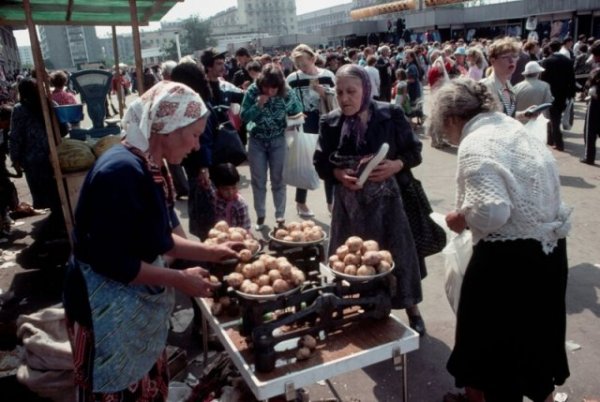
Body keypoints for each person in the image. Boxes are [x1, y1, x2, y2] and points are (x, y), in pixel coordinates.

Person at [63, 81, 240, 400]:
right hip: (106, 314)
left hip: (133, 307)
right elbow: (111, 261)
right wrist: (178, 278)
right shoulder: (121, 172)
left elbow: (163, 240)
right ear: (169, 128)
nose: (198, 146)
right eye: (196, 134)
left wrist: (213, 252)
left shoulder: (151, 165)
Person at [429, 78, 570, 402]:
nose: (448, 136)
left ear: (451, 119)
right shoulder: (510, 127)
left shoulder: (476, 142)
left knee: (485, 349)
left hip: (508, 262)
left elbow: (492, 212)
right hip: (549, 253)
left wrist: (459, 218)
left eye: (444, 127)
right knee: (535, 341)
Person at [314, 64, 426, 335]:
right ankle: (357, 307)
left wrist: (396, 165)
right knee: (351, 259)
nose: (344, 98)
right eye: (339, 92)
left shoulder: (390, 114)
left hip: (388, 203)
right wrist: (338, 173)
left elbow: (415, 151)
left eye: (351, 91)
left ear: (366, 89)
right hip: (349, 206)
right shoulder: (330, 122)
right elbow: (320, 162)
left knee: (397, 254)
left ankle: (412, 309)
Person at [241, 63, 303, 229]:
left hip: (278, 140)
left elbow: (299, 111)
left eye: (274, 88)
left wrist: (292, 119)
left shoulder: (287, 92)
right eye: (266, 88)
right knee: (258, 180)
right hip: (256, 140)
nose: (270, 92)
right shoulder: (253, 90)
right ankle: (261, 215)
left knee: (279, 180)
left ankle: (280, 216)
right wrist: (258, 105)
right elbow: (244, 116)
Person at [286, 44, 336, 216]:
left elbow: (338, 95)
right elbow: (286, 100)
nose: (301, 68)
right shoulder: (292, 78)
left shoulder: (328, 75)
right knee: (305, 162)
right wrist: (296, 114)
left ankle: (332, 203)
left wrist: (325, 92)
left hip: (327, 121)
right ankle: (301, 202)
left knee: (330, 161)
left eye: (304, 64)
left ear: (313, 59)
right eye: (298, 65)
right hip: (305, 122)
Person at [541, 39, 576, 151]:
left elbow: (543, 79)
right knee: (556, 117)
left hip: (551, 93)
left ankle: (557, 142)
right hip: (564, 93)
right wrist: (571, 94)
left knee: (553, 118)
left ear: (550, 48)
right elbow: (572, 78)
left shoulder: (547, 61)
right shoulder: (567, 61)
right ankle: (551, 139)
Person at [208, 162, 251, 231]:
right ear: (218, 188)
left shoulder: (240, 205)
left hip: (235, 237)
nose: (231, 192)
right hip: (218, 235)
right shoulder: (214, 197)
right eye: (225, 189)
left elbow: (245, 228)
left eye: (234, 187)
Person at [581, 68, 600, 165]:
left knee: (590, 132)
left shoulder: (596, 71)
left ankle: (589, 157)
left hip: (595, 106)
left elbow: (588, 87)